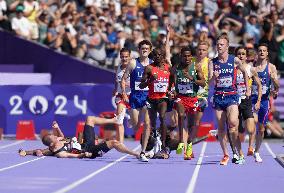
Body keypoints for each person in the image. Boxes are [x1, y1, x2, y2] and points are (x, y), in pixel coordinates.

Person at [208, 33, 249, 165]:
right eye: (218, 44)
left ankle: (237, 151)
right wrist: (213, 77)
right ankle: (226, 154)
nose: (219, 46)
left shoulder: (234, 60)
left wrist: (247, 88)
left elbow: (244, 71)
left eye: (222, 44)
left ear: (227, 46)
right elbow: (209, 83)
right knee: (221, 128)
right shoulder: (212, 62)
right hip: (219, 97)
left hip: (231, 95)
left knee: (232, 123)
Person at [19, 117, 139, 159]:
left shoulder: (59, 140)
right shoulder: (59, 153)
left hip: (85, 142)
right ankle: (136, 154)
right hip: (89, 150)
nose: (56, 136)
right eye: (53, 136)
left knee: (89, 119)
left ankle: (114, 120)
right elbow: (74, 156)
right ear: (52, 144)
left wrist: (57, 127)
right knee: (114, 142)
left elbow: (62, 137)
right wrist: (84, 155)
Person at [170, 46, 205, 160]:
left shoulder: (196, 67)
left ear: (192, 56)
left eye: (189, 56)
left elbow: (203, 83)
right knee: (180, 115)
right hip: (181, 98)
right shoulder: (176, 68)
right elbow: (172, 83)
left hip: (193, 99)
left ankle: (189, 143)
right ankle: (181, 141)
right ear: (181, 56)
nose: (187, 58)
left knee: (192, 125)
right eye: (184, 56)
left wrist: (192, 79)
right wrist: (172, 91)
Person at [121, 40, 153, 162]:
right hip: (135, 97)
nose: (144, 50)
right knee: (135, 126)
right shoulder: (133, 63)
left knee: (147, 124)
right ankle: (132, 121)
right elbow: (123, 79)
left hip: (148, 97)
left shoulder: (153, 64)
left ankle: (143, 151)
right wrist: (124, 92)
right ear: (139, 50)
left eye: (146, 48)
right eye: (142, 48)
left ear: (150, 50)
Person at [251, 43, 279, 163]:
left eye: (264, 51)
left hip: (264, 101)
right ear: (257, 53)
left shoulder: (271, 67)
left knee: (261, 129)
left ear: (267, 53)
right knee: (254, 121)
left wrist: (273, 80)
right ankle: (250, 146)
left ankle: (256, 151)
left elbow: (276, 87)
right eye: (260, 50)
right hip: (252, 99)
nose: (262, 52)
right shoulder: (252, 67)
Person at [234, 46, 262, 164]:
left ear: (246, 56)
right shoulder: (232, 68)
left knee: (250, 129)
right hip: (234, 101)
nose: (241, 56)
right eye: (239, 54)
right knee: (236, 129)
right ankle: (239, 153)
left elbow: (259, 85)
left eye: (243, 54)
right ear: (236, 55)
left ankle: (251, 146)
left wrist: (259, 100)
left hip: (246, 101)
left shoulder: (250, 69)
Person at [113, 48, 132, 143]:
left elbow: (140, 83)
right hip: (121, 96)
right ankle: (121, 143)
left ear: (130, 57)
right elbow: (116, 79)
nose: (124, 59)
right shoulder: (118, 67)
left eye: (126, 57)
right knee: (119, 120)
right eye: (122, 57)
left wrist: (126, 84)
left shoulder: (133, 68)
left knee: (134, 122)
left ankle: (132, 120)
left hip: (132, 96)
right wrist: (115, 89)